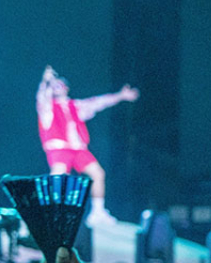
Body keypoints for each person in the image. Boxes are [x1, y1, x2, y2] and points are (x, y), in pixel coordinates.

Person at [36, 66, 139, 225]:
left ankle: (97, 212)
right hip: (60, 149)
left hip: (78, 149)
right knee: (58, 176)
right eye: (54, 86)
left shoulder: (76, 106)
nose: (57, 87)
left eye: (60, 84)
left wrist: (121, 96)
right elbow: (42, 97)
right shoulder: (48, 108)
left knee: (98, 173)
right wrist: (45, 80)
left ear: (66, 88)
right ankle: (52, 212)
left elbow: (99, 102)